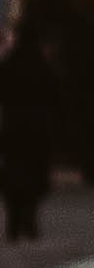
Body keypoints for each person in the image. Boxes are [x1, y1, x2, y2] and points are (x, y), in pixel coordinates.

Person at [0, 29, 53, 242]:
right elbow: (55, 96)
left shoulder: (8, 66)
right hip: (37, 130)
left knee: (13, 174)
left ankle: (14, 220)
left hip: (12, 128)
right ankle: (29, 219)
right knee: (35, 175)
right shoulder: (43, 68)